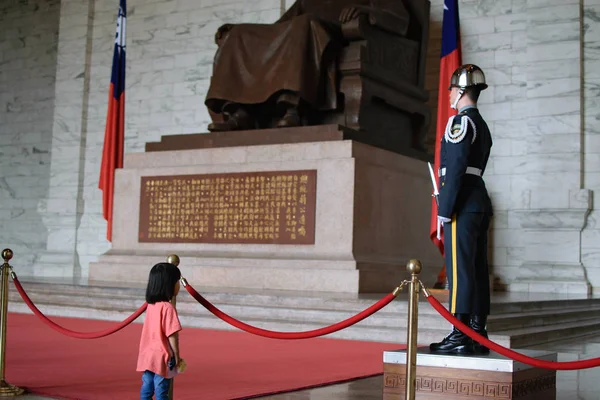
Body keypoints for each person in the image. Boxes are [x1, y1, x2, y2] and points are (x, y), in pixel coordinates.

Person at [204, 0, 410, 131]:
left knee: (306, 23)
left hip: (337, 37)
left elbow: (400, 21)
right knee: (239, 34)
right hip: (303, 33)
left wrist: (365, 10)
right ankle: (240, 112)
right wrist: (239, 31)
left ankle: (293, 108)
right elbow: (276, 31)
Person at [429, 64, 493, 355]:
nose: (450, 94)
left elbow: (454, 169)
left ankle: (460, 334)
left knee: (460, 271)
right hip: (478, 202)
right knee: (477, 269)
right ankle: (478, 332)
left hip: (462, 205)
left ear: (462, 91)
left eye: (453, 89)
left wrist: (445, 206)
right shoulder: (482, 124)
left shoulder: (460, 123)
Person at [137, 262, 184, 399]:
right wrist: (176, 355)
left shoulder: (151, 305)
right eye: (176, 281)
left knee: (147, 386)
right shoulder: (168, 308)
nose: (178, 285)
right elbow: (172, 334)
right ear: (169, 284)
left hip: (147, 354)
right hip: (162, 356)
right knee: (161, 389)